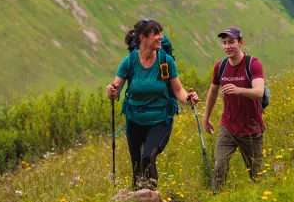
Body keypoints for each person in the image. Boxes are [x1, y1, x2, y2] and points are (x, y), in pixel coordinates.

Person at [106, 18, 199, 191]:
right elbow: (115, 89)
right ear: (143, 38)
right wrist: (111, 92)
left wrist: (189, 99)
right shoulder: (130, 61)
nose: (161, 37)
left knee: (147, 157)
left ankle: (151, 196)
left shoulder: (165, 61)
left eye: (160, 33)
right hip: (134, 119)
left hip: (160, 118)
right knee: (136, 167)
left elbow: (178, 90)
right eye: (156, 34)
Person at [202, 26, 265, 192]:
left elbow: (259, 92)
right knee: (219, 165)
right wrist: (206, 117)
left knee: (257, 173)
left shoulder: (253, 64)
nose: (227, 46)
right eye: (224, 43)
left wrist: (239, 90)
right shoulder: (220, 66)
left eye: (231, 42)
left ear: (241, 43)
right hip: (228, 126)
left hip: (251, 128)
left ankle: (261, 198)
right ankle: (216, 200)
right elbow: (213, 91)